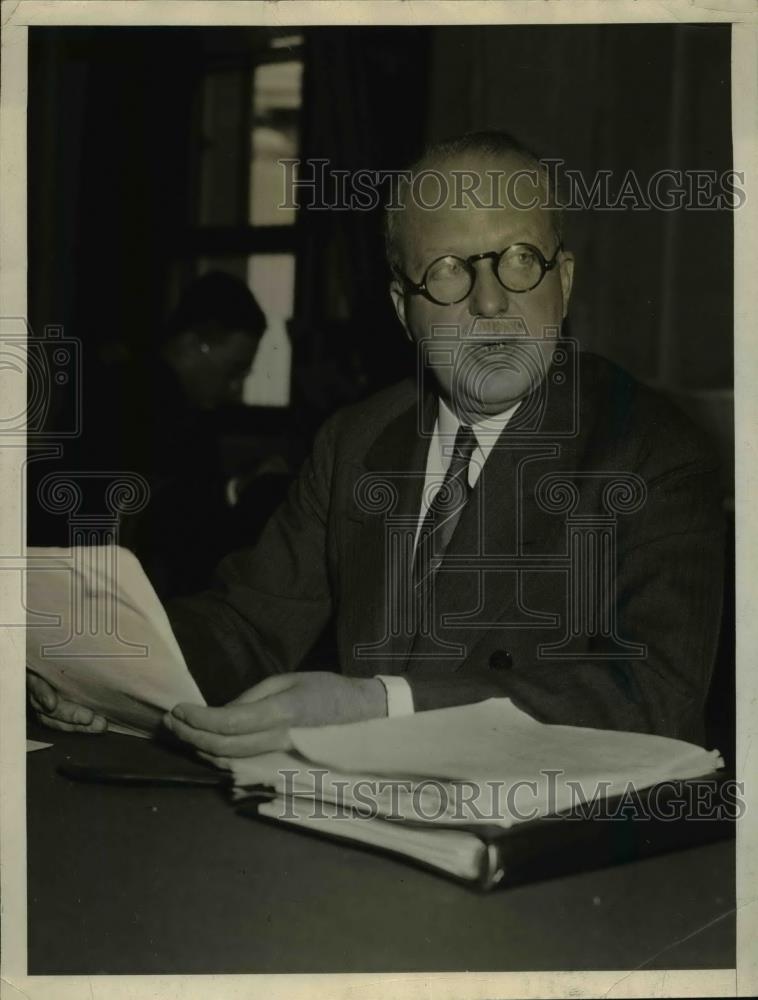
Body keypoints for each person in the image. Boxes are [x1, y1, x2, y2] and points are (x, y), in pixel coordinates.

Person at [28, 131, 725, 761]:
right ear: (404, 310)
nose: (490, 303)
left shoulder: (653, 454)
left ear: (563, 280)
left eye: (519, 260)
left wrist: (377, 707)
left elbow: (657, 697)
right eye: (450, 269)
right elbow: (247, 624)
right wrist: (106, 667)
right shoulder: (357, 440)